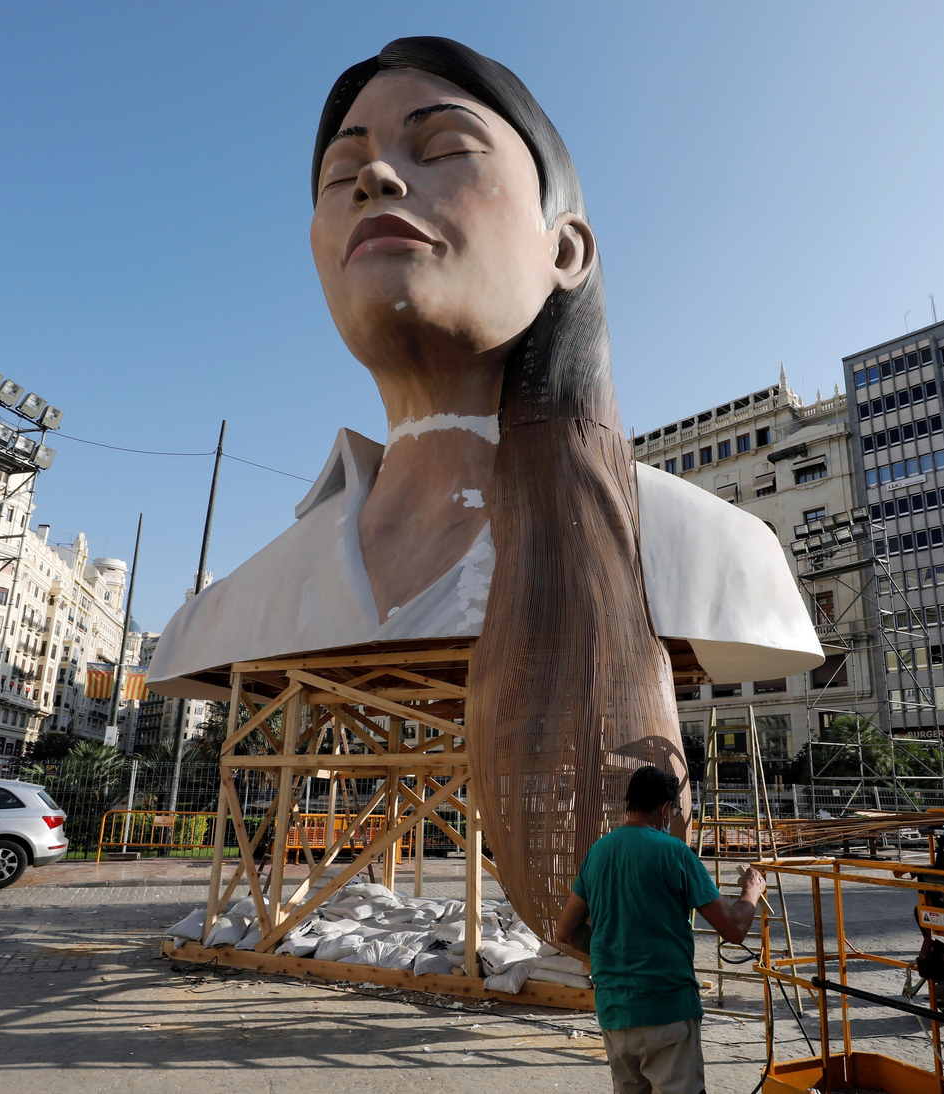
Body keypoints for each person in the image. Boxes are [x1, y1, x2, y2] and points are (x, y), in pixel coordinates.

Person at [145, 37, 825, 939]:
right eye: (341, 169)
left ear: (567, 249)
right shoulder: (234, 606)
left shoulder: (715, 552)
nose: (375, 180)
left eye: (443, 150)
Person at [554, 766, 767, 1094]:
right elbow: (735, 928)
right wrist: (752, 891)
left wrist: (611, 958)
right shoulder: (674, 853)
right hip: (666, 1011)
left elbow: (565, 931)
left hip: (614, 1013)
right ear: (666, 808)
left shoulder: (598, 852)